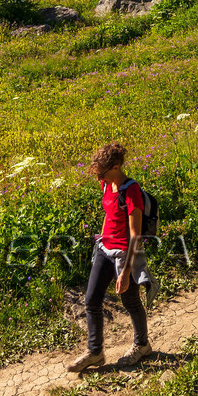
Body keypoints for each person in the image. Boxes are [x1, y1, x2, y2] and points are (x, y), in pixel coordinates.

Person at [66, 142, 153, 374]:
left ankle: (142, 345)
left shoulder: (131, 190)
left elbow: (136, 234)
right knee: (91, 299)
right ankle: (95, 352)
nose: (99, 179)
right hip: (105, 248)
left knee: (130, 301)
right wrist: (101, 241)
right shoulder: (107, 185)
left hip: (125, 254)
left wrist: (125, 272)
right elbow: (108, 214)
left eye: (101, 174)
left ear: (116, 167)